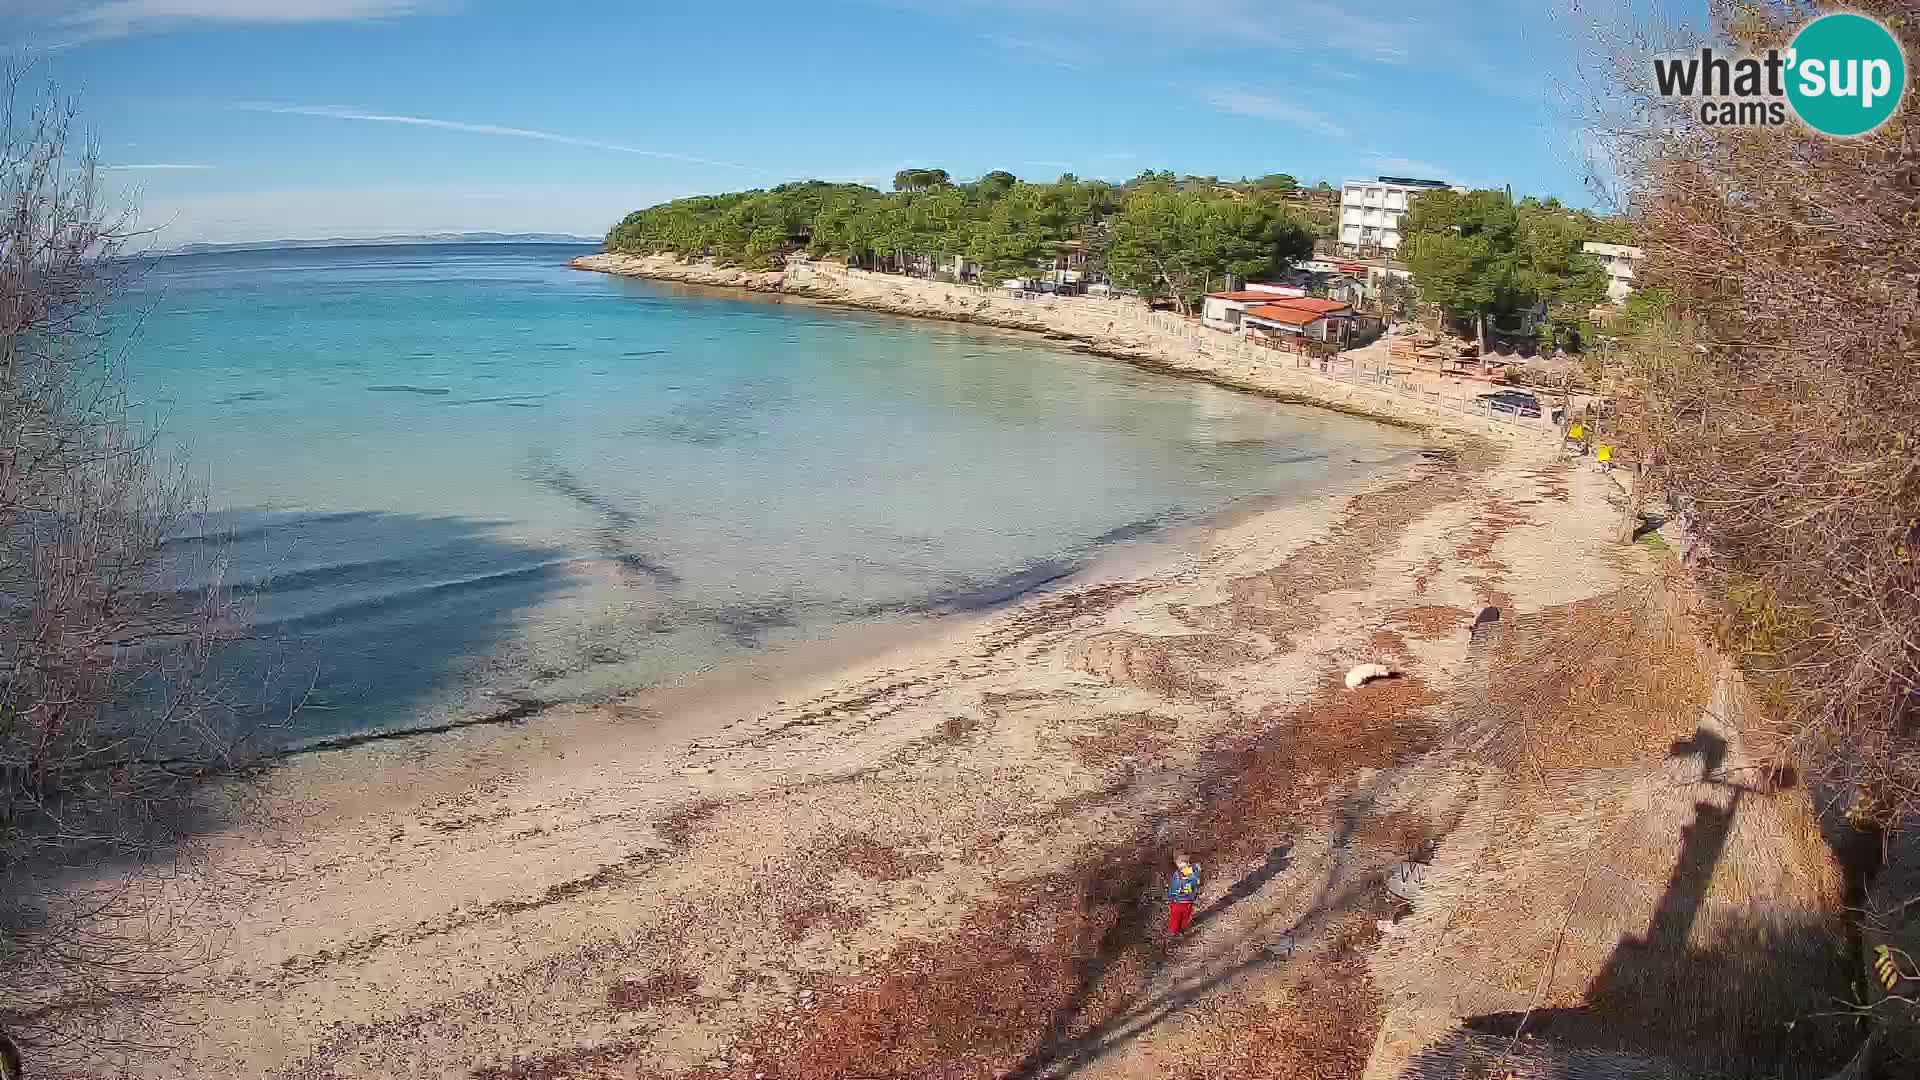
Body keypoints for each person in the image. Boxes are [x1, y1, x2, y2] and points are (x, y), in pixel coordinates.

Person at [1166, 852, 1201, 937]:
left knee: (1185, 918)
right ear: (1177, 864)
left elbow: (1196, 883)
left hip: (1187, 901)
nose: (1184, 865)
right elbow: (1173, 888)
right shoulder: (1177, 875)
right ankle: (1174, 931)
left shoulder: (1192, 873)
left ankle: (1180, 930)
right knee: (1176, 918)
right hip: (1178, 902)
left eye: (1186, 862)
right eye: (1180, 863)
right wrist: (1171, 898)